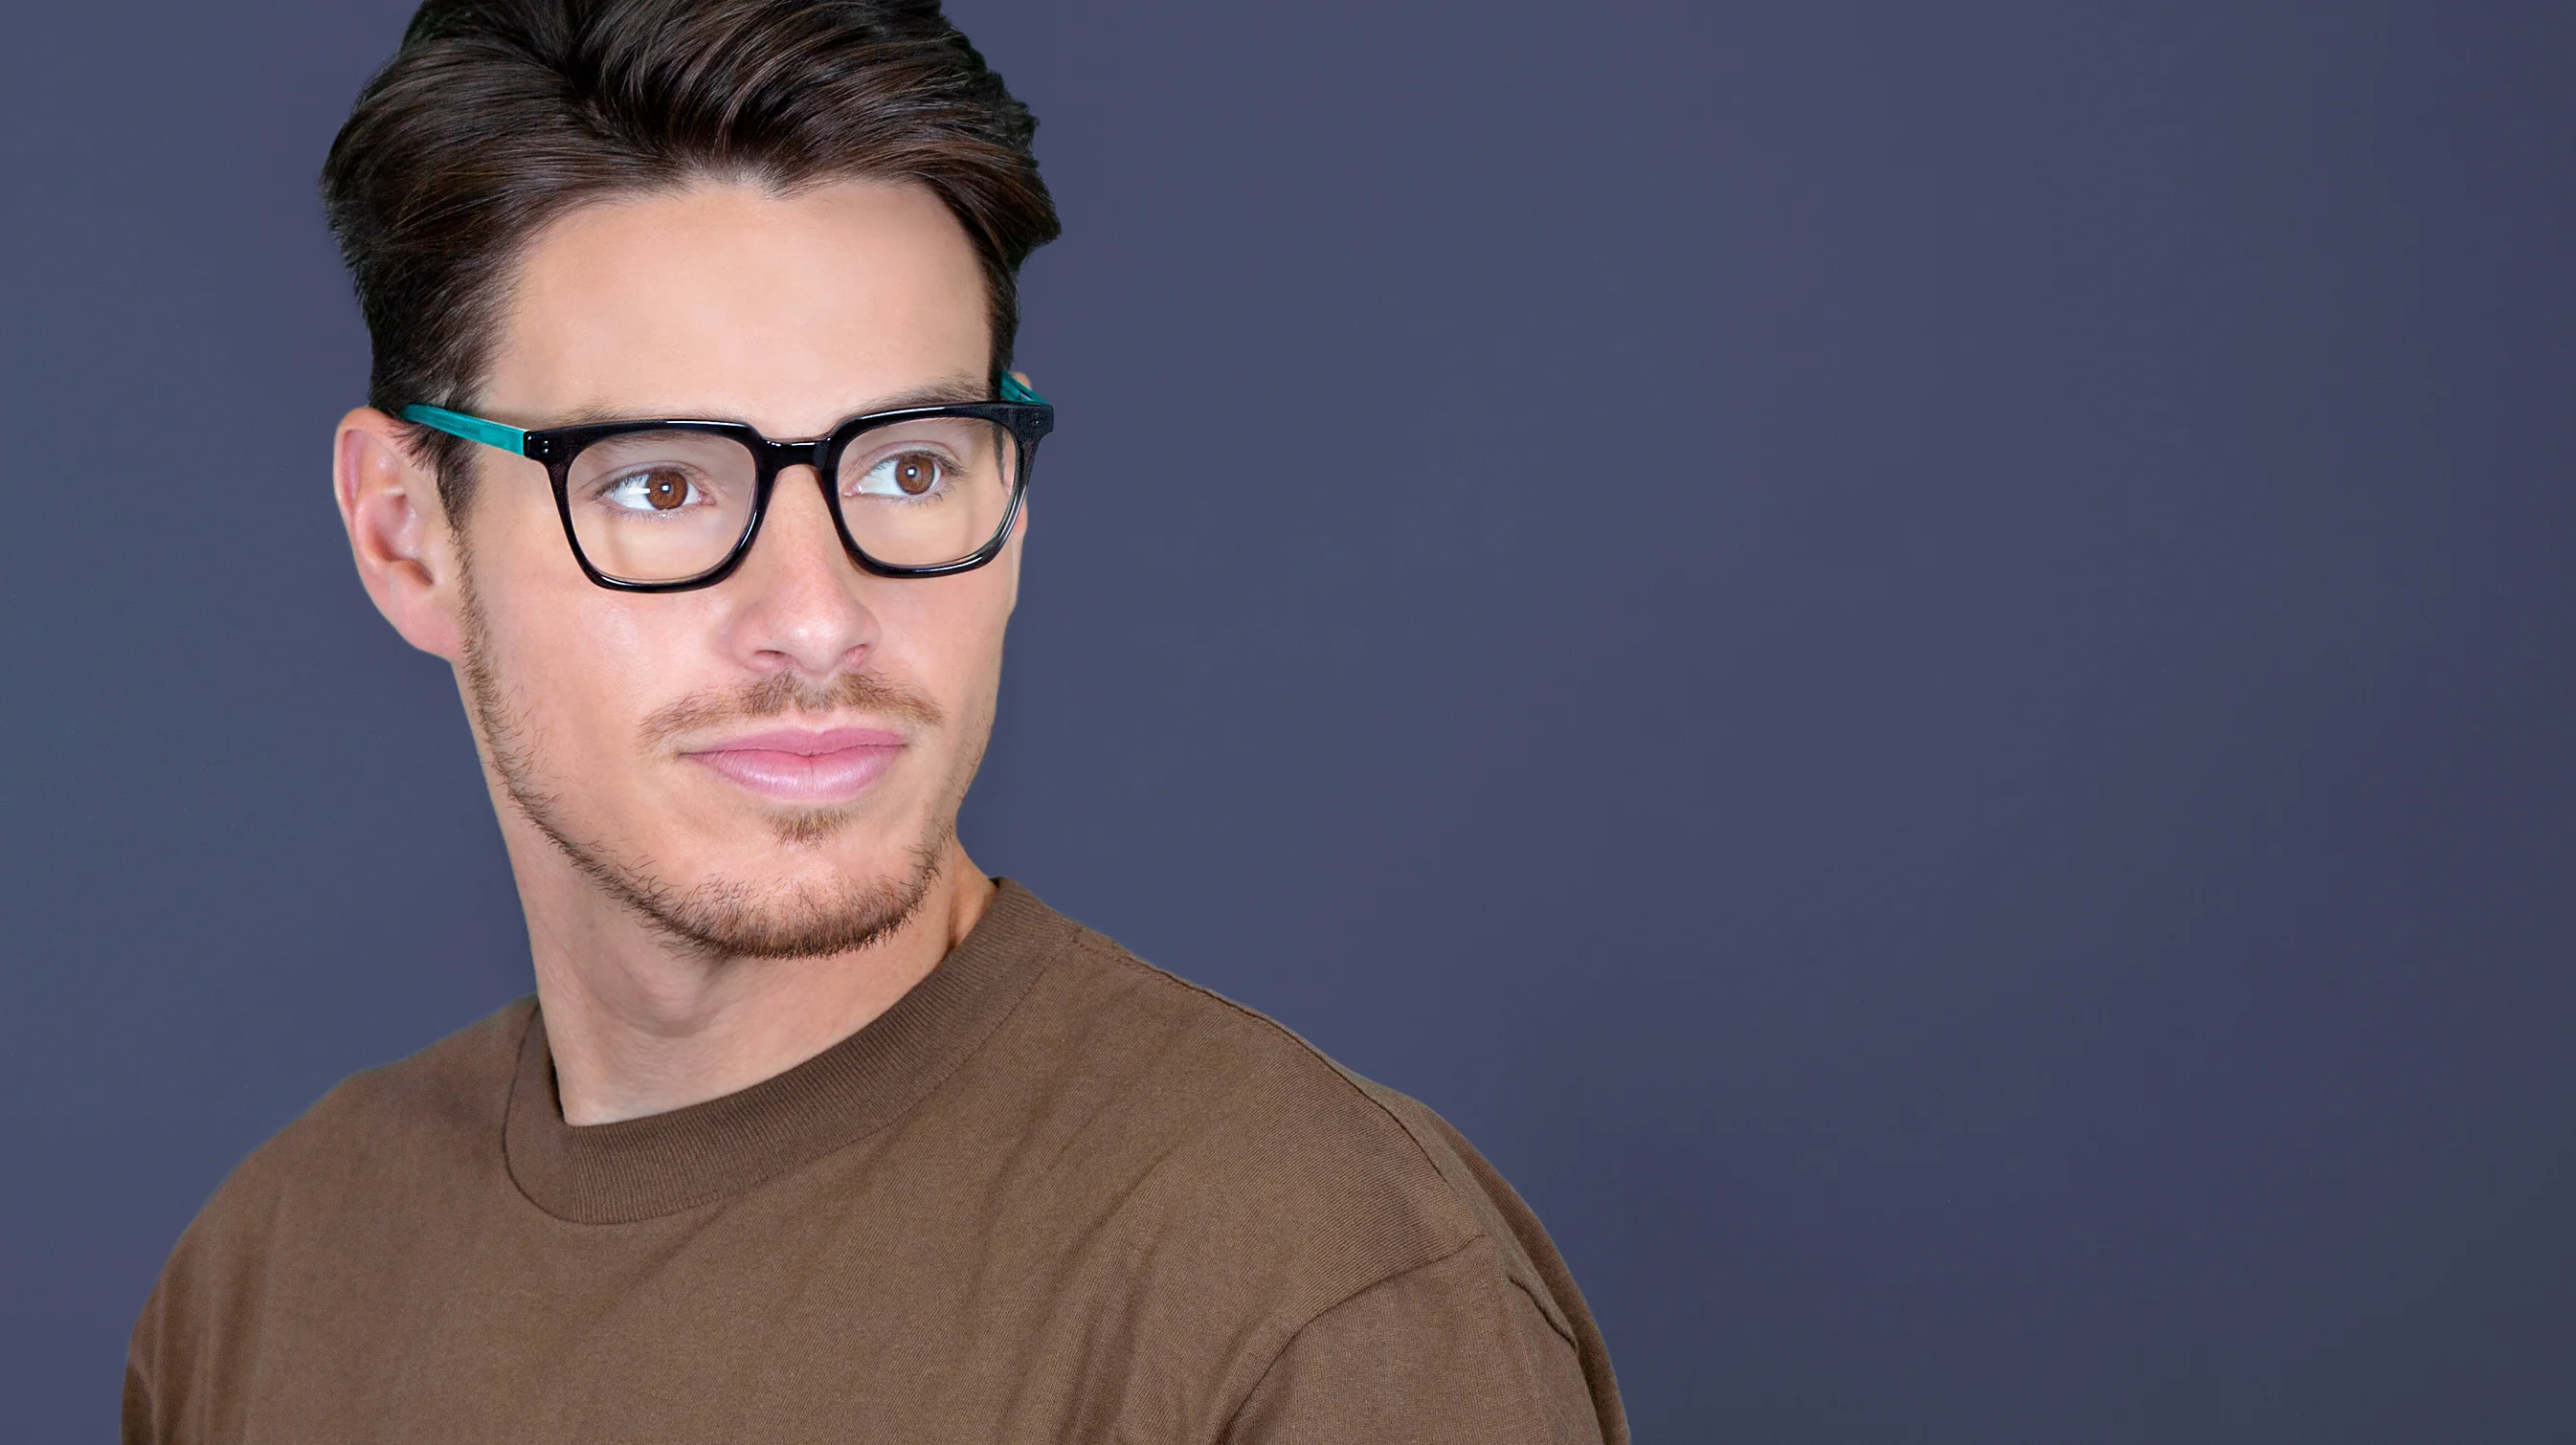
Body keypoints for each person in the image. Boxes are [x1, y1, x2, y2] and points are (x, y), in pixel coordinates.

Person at [123, 2, 1625, 1440]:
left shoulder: (1313, 1293)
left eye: (909, 467)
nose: (817, 615)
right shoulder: (271, 1276)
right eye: (660, 483)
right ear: (406, 536)